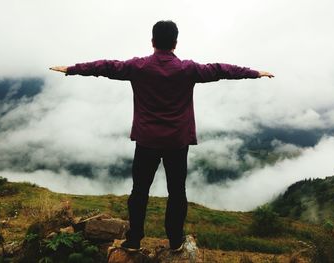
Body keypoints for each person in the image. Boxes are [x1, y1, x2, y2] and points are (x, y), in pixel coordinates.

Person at [50, 20, 274, 253]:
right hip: (177, 143)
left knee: (139, 191)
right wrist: (254, 73)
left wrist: (72, 69)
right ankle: (175, 241)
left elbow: (106, 67)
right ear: (175, 43)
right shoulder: (188, 69)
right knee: (177, 192)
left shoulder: (138, 67)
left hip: (147, 141)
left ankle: (134, 239)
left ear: (153, 41)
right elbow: (220, 70)